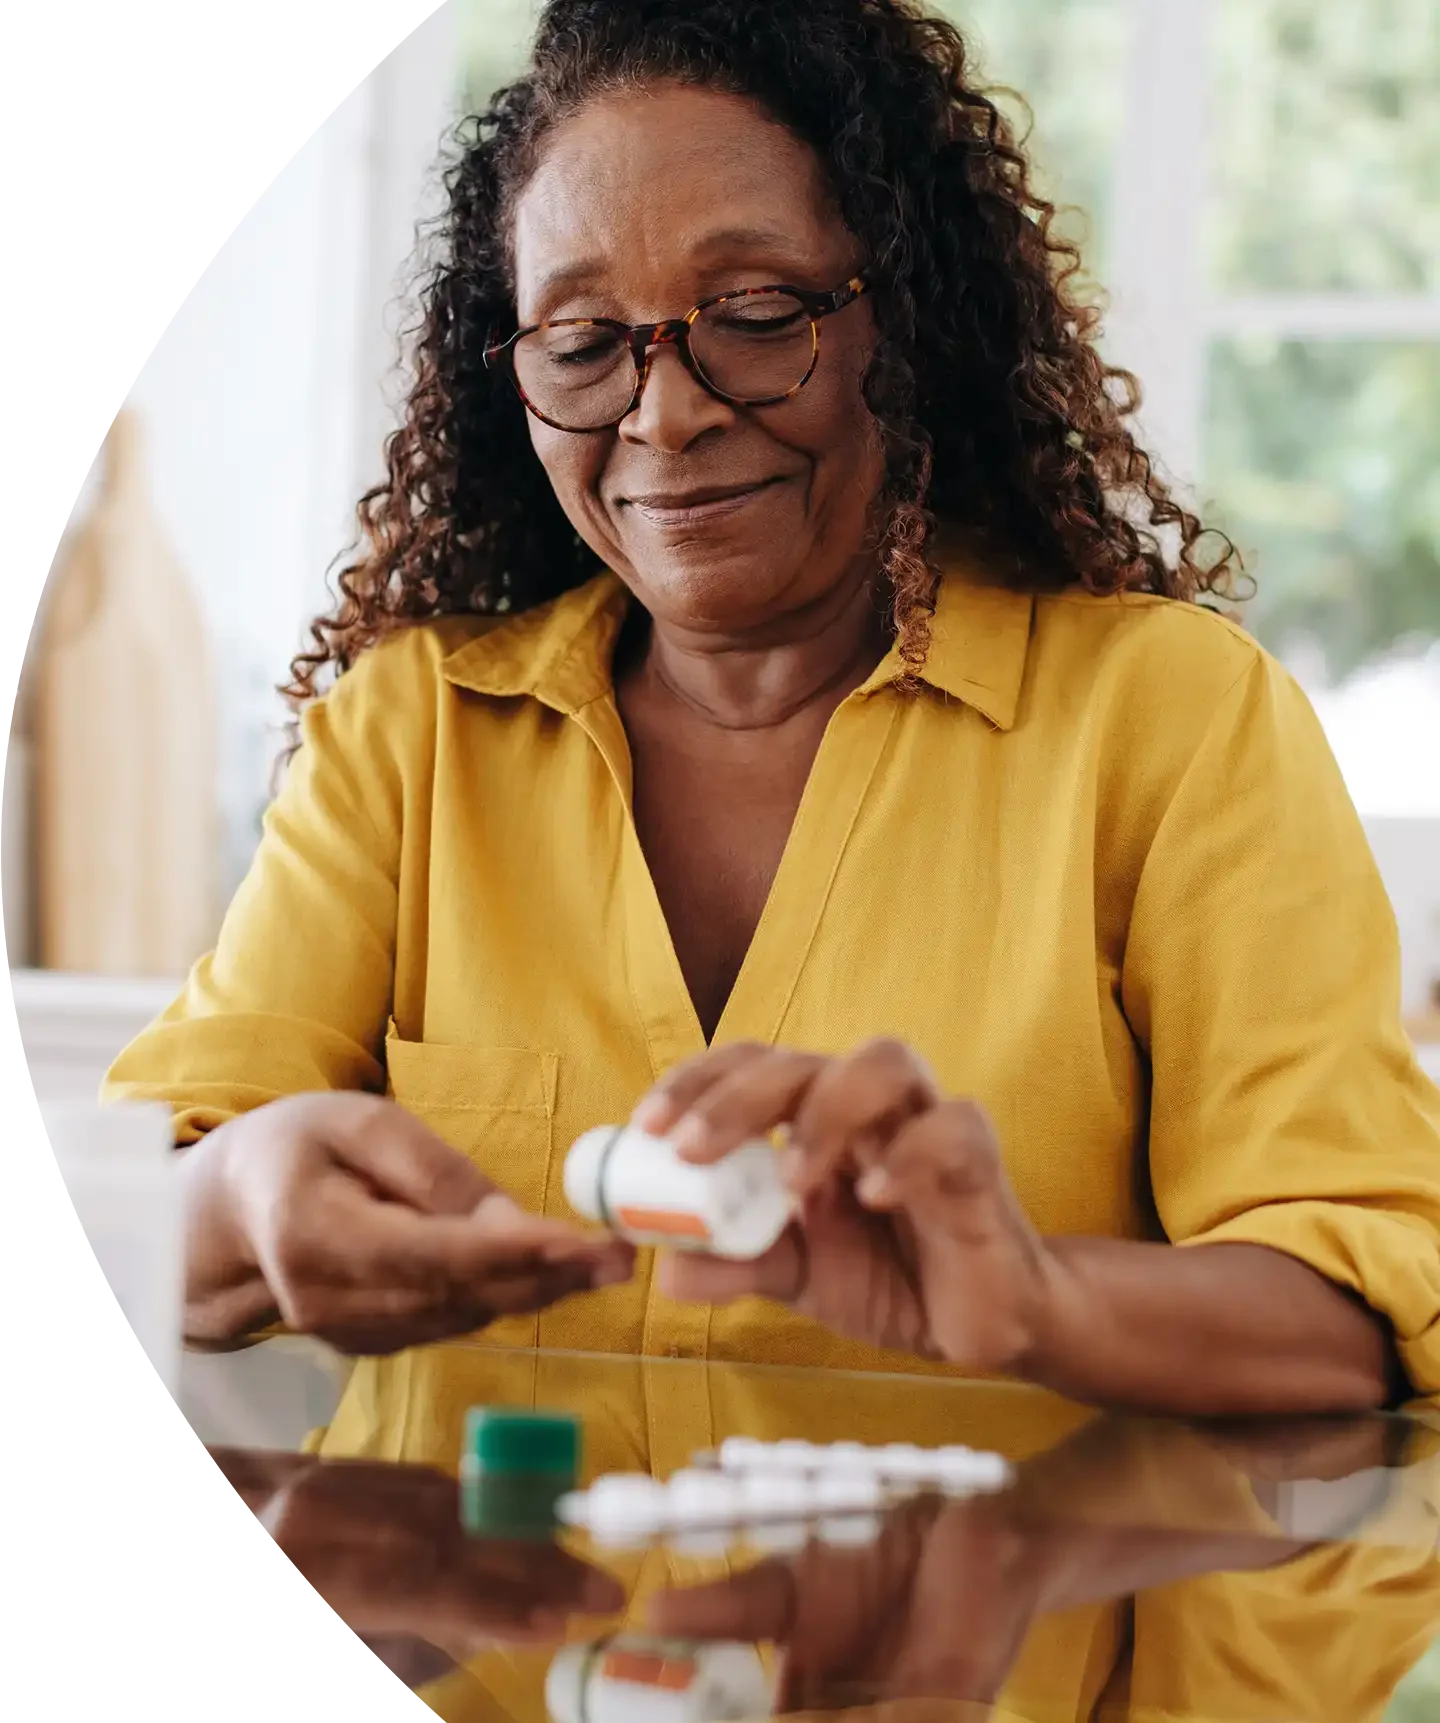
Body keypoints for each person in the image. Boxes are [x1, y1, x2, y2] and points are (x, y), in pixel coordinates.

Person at [106, 0, 1440, 1419]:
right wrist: (244, 1196)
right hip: (499, 1639)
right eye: (578, 342)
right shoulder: (410, 735)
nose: (663, 414)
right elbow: (122, 1218)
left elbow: (1358, 1307)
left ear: (905, 325)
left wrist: (1030, 1294)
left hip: (993, 1631)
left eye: (754, 317)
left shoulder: (1168, 720)